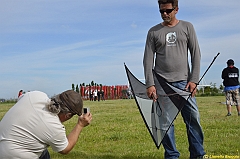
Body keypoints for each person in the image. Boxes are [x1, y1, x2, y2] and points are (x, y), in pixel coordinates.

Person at [143, 0, 205, 158]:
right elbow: (148, 60)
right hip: (161, 84)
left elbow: (196, 54)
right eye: (161, 11)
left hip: (184, 84)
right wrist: (150, 84)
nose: (165, 14)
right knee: (165, 124)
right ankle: (171, 155)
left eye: (168, 10)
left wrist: (194, 80)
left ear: (176, 9)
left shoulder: (187, 27)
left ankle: (197, 155)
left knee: (193, 119)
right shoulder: (153, 32)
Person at [0, 90, 92, 159]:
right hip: (13, 156)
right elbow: (65, 149)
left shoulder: (36, 95)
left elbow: (21, 98)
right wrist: (80, 125)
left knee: (44, 153)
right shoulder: (55, 127)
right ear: (67, 115)